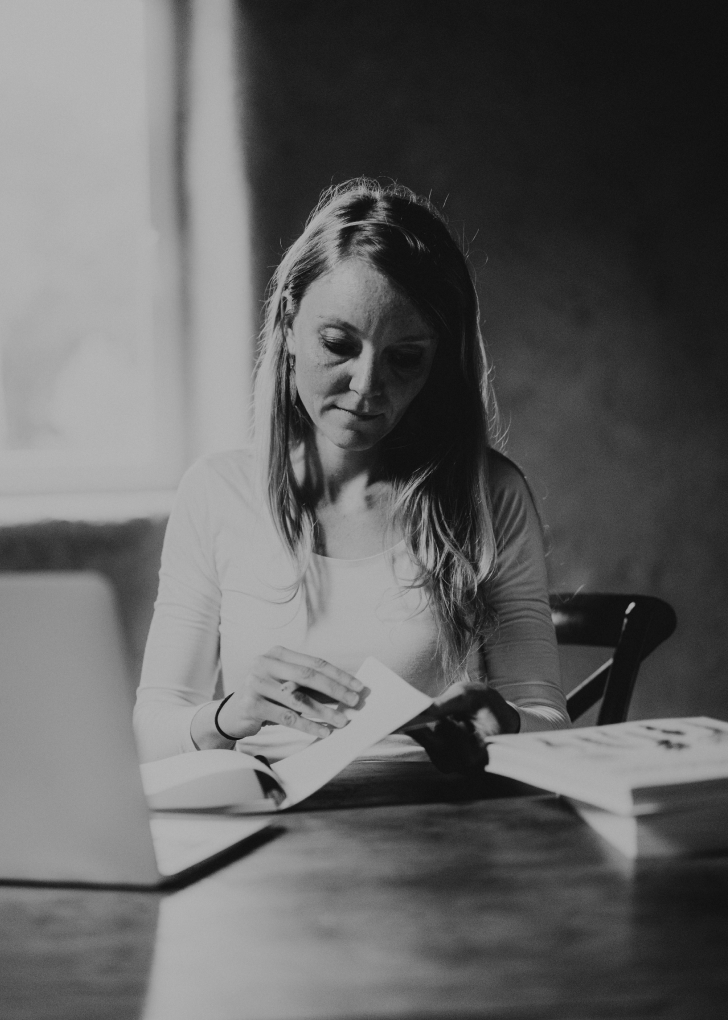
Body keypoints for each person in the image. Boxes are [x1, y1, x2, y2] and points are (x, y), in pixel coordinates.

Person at [134, 178, 569, 771]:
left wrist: (498, 718)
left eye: (405, 358)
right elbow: (152, 731)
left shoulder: (486, 494)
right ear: (288, 325)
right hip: (275, 826)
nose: (366, 386)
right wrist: (229, 714)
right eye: (338, 343)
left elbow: (549, 723)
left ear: (437, 361)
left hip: (437, 822)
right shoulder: (218, 493)